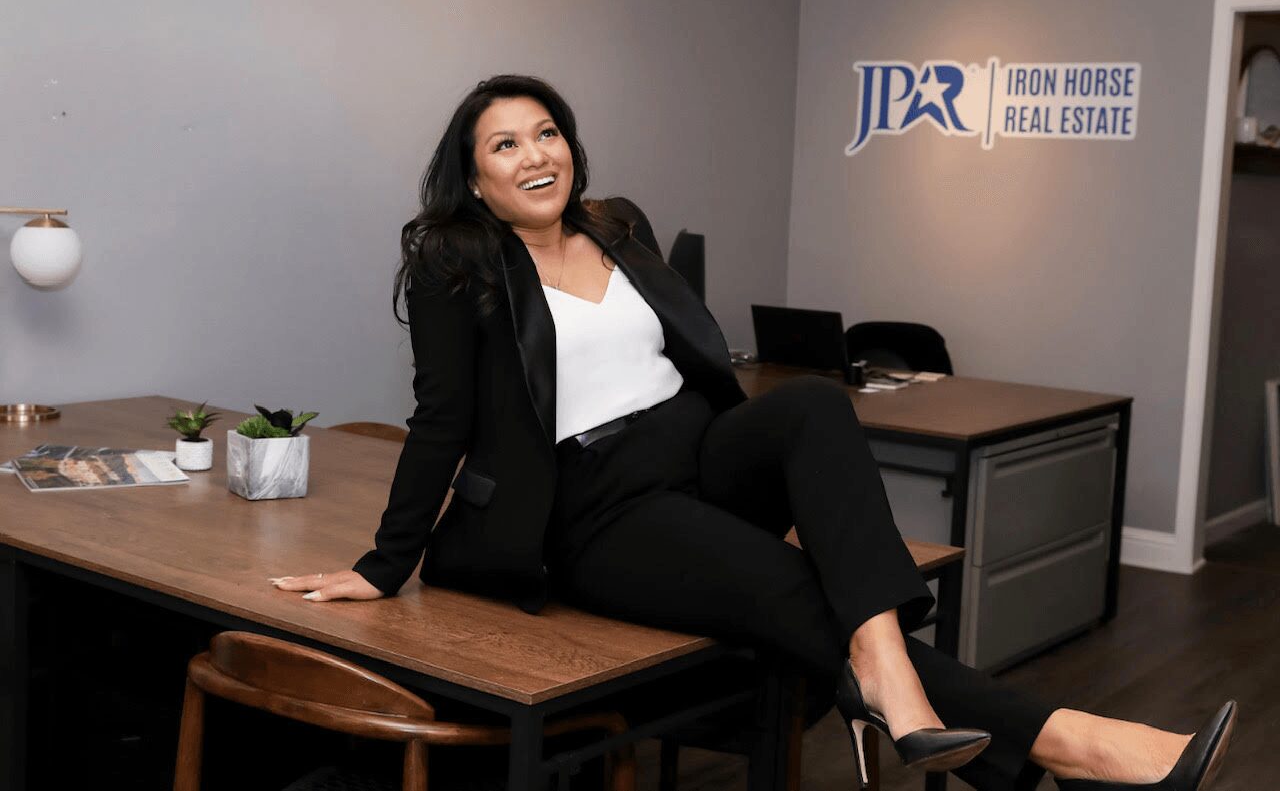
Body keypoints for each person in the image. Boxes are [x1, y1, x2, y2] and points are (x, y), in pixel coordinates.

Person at [272, 75, 1236, 791]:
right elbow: (440, 418)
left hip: (698, 454)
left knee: (814, 403)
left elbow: (690, 352)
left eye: (548, 132)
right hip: (597, 506)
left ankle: (890, 679)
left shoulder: (616, 226)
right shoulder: (458, 264)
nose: (536, 156)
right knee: (798, 590)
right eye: (505, 145)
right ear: (476, 179)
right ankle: (1070, 742)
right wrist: (383, 563)